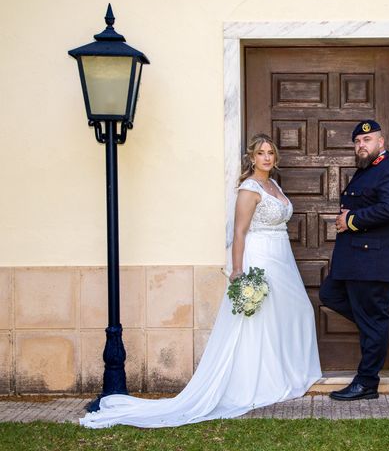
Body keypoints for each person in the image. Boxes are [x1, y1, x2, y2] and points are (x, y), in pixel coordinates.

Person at [80, 134, 321, 428]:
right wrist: (237, 271)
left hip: (282, 258)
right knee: (257, 322)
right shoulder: (249, 189)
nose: (266, 157)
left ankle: (287, 373)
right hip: (260, 258)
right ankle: (259, 382)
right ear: (252, 158)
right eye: (261, 153)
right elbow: (240, 233)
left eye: (270, 152)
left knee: (294, 314)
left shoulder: (274, 185)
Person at [319, 120, 389, 401]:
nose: (361, 146)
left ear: (381, 142)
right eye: (358, 142)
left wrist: (350, 220)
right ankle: (387, 324)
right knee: (330, 294)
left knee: (371, 321)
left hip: (376, 261)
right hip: (355, 261)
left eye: (368, 140)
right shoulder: (365, 172)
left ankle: (366, 382)